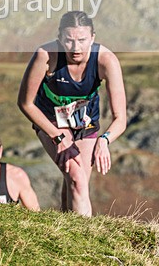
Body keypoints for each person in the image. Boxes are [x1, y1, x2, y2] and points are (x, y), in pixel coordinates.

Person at [17, 11, 127, 216]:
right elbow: (25, 103)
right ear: (59, 37)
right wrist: (57, 136)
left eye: (82, 40)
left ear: (93, 37)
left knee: (77, 181)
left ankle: (66, 233)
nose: (76, 48)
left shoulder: (106, 60)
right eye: (69, 41)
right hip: (51, 121)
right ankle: (87, 240)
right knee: (75, 176)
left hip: (85, 125)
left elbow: (120, 118)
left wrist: (104, 140)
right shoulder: (45, 56)